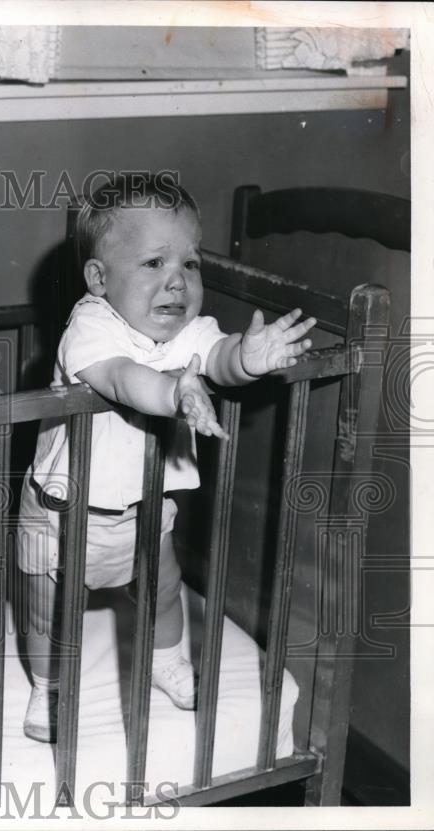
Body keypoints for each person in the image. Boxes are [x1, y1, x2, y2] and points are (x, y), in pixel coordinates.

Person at [18, 174, 316, 741]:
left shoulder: (186, 330)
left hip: (146, 513)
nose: (177, 283)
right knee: (47, 615)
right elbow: (122, 379)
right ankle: (50, 687)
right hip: (60, 516)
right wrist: (176, 390)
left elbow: (217, 353)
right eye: (154, 264)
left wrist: (247, 359)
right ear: (99, 279)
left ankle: (165, 661)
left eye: (191, 264)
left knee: (164, 591)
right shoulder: (89, 327)